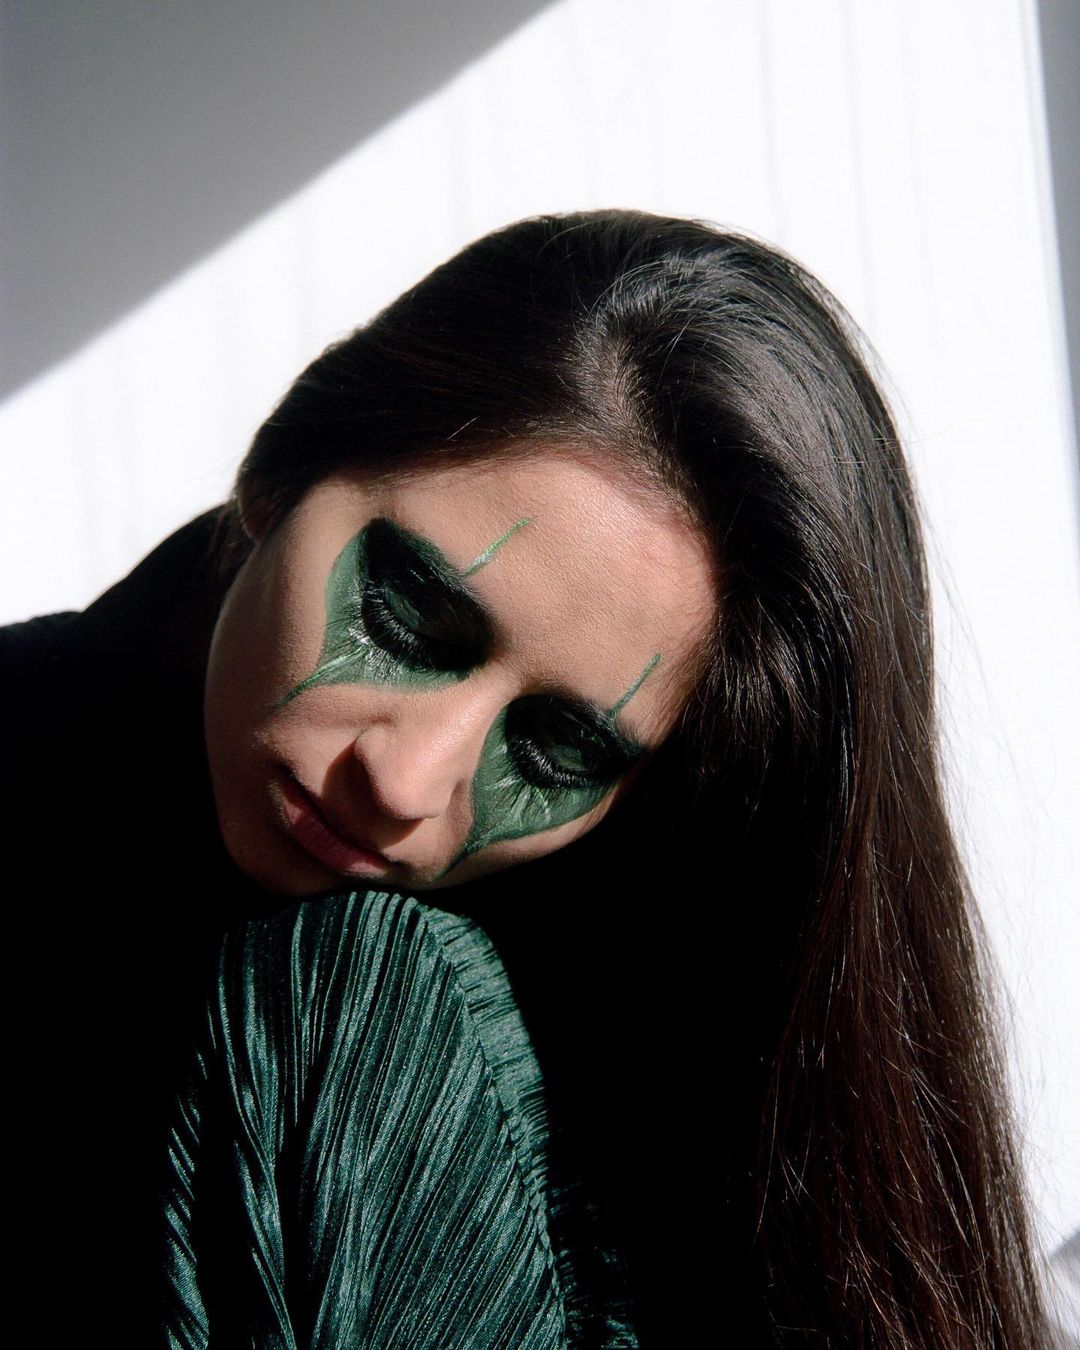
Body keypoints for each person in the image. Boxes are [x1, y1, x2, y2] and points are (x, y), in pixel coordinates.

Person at [3, 209, 1054, 1346]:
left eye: (559, 748)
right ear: (279, 473)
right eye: (404, 617)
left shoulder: (610, 1022)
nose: (407, 784)